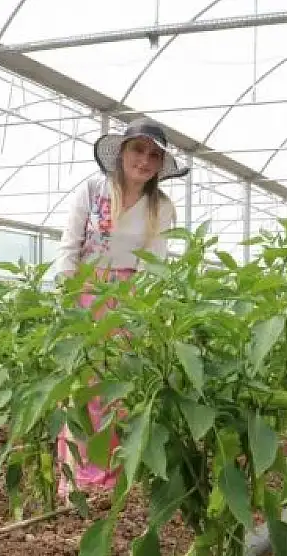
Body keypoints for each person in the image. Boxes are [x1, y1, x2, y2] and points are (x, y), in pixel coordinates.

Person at [53, 118, 189, 501]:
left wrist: (139, 307)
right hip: (86, 292)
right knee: (82, 386)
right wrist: (67, 294)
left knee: (119, 386)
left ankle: (111, 475)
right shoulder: (93, 190)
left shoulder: (159, 207)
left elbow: (154, 261)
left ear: (160, 165)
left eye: (153, 155)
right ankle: (78, 476)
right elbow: (69, 245)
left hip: (129, 298)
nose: (144, 161)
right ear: (123, 152)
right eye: (138, 150)